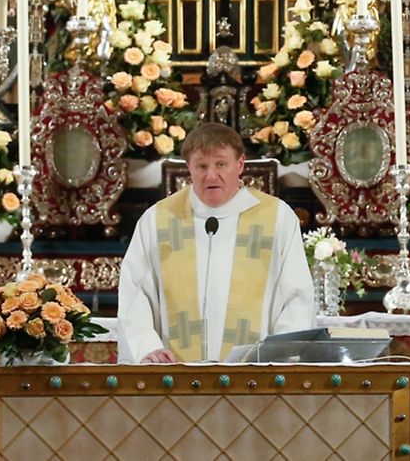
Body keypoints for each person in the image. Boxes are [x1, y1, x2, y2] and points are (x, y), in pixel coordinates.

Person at [117, 122, 314, 363]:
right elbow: (135, 293)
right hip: (174, 376)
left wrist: (279, 357)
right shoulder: (158, 220)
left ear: (240, 164)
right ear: (188, 167)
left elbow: (296, 298)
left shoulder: (277, 218)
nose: (211, 175)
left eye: (221, 164)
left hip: (255, 377)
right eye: (201, 166)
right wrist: (147, 347)